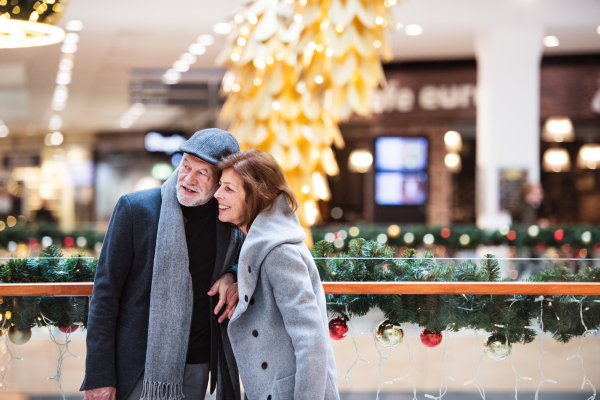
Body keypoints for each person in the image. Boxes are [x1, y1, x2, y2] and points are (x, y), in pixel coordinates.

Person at [81, 129, 244, 400]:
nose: (188, 179)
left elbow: (248, 258)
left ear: (220, 181)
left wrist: (232, 274)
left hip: (198, 364)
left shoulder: (228, 220)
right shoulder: (135, 210)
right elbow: (104, 294)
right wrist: (99, 375)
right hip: (137, 365)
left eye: (202, 173)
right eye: (186, 166)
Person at [214, 149, 340, 400]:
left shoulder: (278, 252)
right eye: (219, 186)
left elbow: (311, 340)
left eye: (229, 188)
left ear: (255, 195)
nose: (217, 194)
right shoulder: (259, 243)